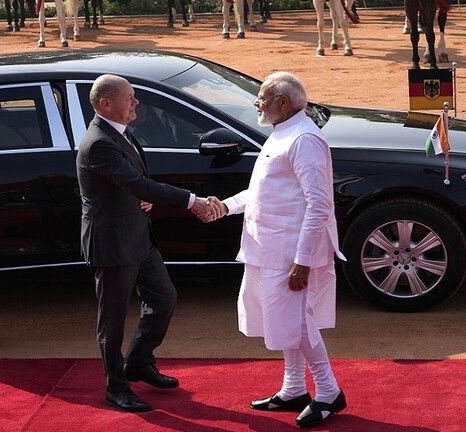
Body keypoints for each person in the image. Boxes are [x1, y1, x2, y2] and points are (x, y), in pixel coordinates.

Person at [207, 72, 347, 427]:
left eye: (263, 97)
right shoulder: (282, 133)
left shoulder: (304, 140)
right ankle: (294, 389)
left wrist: (302, 261)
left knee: (298, 323)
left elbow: (319, 205)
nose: (257, 103)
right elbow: (263, 192)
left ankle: (328, 391)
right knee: (286, 322)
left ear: (283, 102)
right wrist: (226, 206)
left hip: (290, 253)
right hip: (268, 249)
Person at [76, 74, 219, 413]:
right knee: (111, 323)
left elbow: (133, 183)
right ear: (105, 104)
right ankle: (116, 388)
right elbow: (135, 182)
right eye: (129, 98)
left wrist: (143, 197)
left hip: (138, 236)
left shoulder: (120, 132)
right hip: (112, 243)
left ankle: (138, 362)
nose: (136, 102)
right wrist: (191, 201)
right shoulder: (99, 143)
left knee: (164, 298)